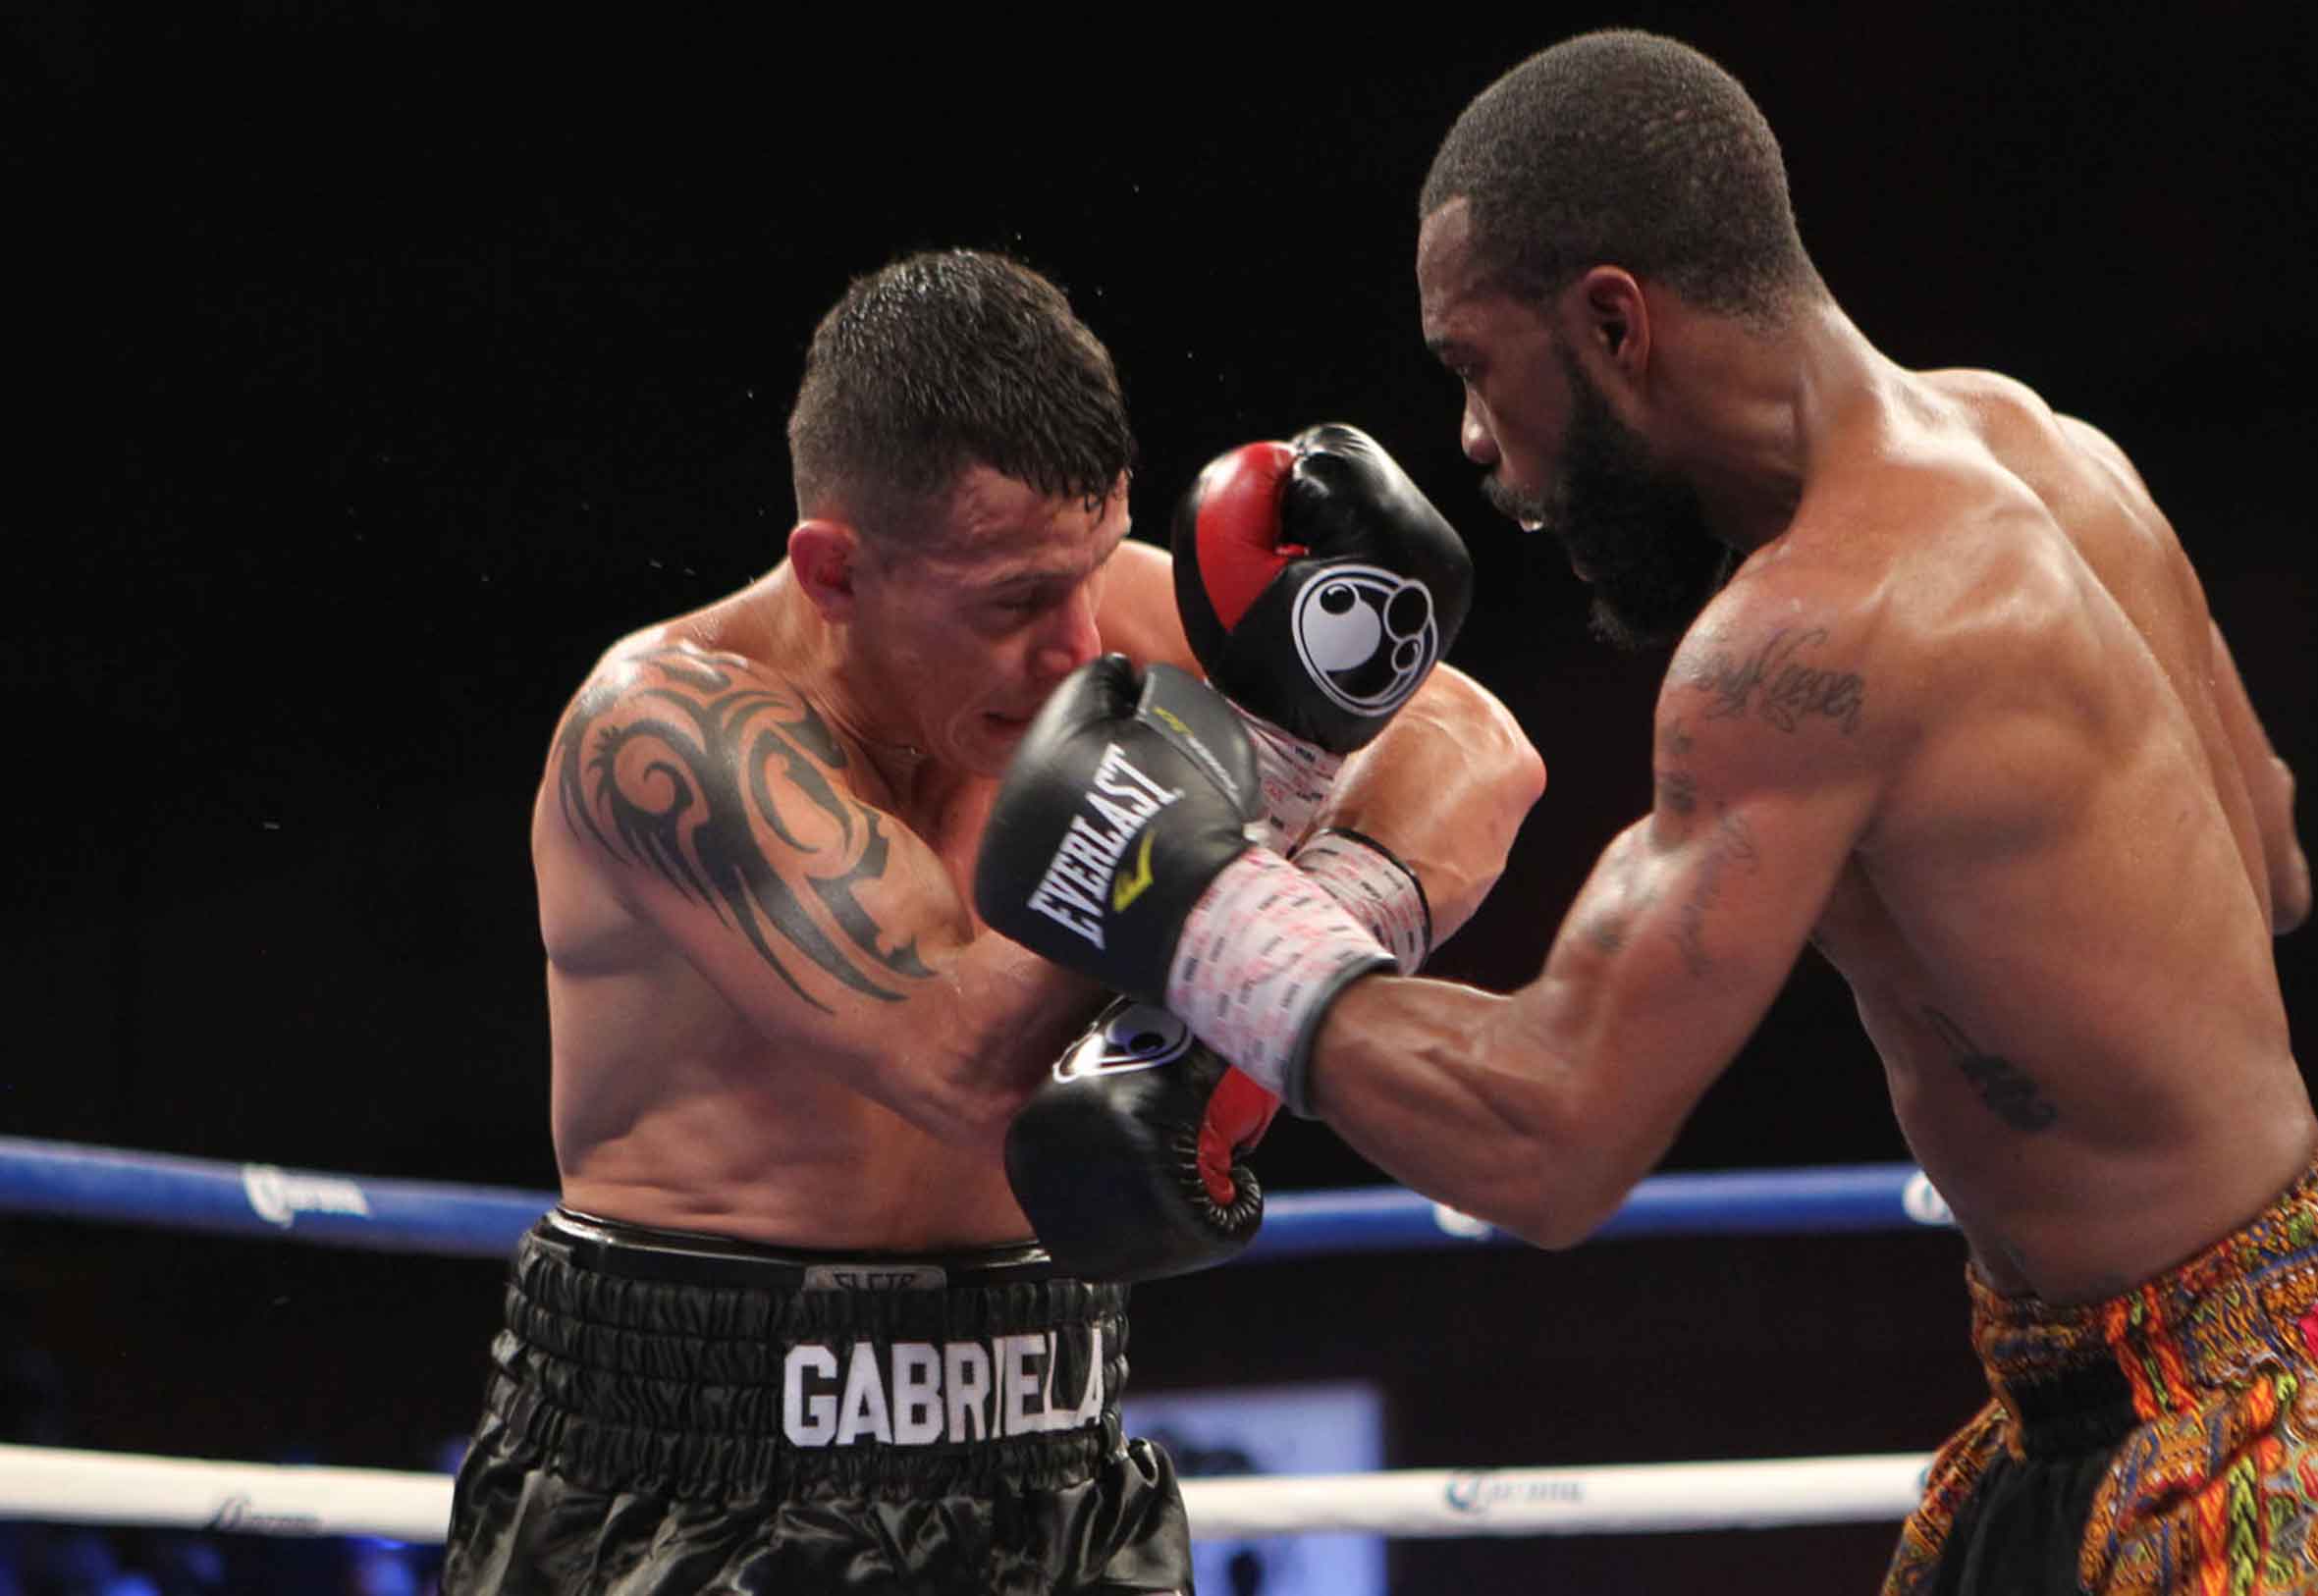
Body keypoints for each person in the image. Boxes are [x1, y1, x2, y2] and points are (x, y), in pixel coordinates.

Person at [973, 32, 2318, 1595]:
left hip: (2262, 1447)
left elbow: (1554, 1136)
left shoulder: (1805, 638)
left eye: (1472, 365)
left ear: (1614, 322)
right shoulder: (2043, 448)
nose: (1470, 442)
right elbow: (2268, 863)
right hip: (2161, 1387)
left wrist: (1199, 913)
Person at [441, 248, 1541, 1595]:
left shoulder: (1076, 610)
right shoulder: (664, 736)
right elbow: (959, 1059)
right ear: (834, 572)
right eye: (1018, 600)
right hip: (696, 1487)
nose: (1081, 643)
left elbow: (1480, 754)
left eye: (1090, 565)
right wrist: (1244, 790)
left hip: (1054, 1463)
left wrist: (1282, 938)